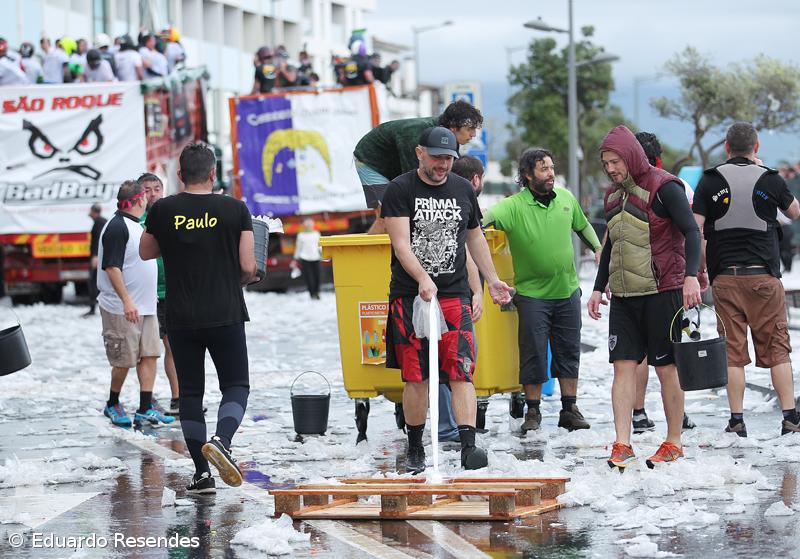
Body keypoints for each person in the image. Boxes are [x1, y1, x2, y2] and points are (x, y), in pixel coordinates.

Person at [381, 127, 514, 473]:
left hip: (454, 295)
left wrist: (492, 280)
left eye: (448, 159)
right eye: (437, 157)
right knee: (415, 376)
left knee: (462, 371)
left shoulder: (462, 190)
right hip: (410, 297)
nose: (443, 165)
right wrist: (423, 278)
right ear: (419, 153)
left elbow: (474, 238)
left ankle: (469, 446)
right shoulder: (400, 189)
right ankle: (414, 447)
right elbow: (400, 245)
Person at [140, 143, 257, 493]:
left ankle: (202, 474)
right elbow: (249, 266)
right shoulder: (235, 209)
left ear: (179, 175)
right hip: (224, 311)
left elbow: (146, 251)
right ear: (212, 173)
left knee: (190, 393)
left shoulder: (163, 210)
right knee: (235, 384)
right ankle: (222, 439)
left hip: (181, 315)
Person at [588, 125, 702, 469]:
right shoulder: (612, 195)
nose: (610, 168)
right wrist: (597, 286)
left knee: (666, 367)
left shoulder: (665, 187)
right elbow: (612, 246)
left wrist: (692, 277)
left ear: (631, 156)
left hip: (663, 291)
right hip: (623, 296)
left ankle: (674, 440)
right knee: (622, 367)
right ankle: (622, 443)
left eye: (615, 161)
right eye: (606, 163)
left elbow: (692, 233)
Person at [693, 122, 800, 437]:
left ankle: (737, 420)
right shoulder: (769, 178)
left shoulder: (710, 181)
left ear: (726, 147)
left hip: (725, 279)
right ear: (757, 148)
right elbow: (794, 212)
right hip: (764, 278)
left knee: (733, 353)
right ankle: (790, 417)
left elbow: (696, 227)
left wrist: (700, 269)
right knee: (778, 348)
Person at [484, 148, 600, 433]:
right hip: (533, 295)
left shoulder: (566, 198)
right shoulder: (513, 206)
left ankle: (569, 408)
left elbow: (583, 226)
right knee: (534, 353)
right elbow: (481, 219)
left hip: (567, 291)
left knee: (569, 351)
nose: (550, 173)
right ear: (527, 175)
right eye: (543, 169)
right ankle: (533, 411)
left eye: (551, 167)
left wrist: (598, 249)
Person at [630, 131, 696, 435]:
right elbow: (694, 232)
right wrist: (697, 273)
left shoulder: (623, 188)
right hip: (669, 278)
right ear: (658, 158)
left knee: (639, 353)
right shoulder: (676, 186)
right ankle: (677, 417)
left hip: (632, 281)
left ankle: (639, 412)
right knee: (670, 354)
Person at [97, 181, 174, 428]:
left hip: (147, 305)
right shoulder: (117, 227)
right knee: (123, 360)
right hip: (122, 308)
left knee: (150, 355)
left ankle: (144, 408)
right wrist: (127, 300)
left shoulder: (136, 225)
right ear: (139, 200)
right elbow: (111, 267)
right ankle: (113, 402)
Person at [354, 100, 484, 233]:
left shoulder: (450, 139)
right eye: (469, 129)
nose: (473, 135)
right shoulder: (416, 134)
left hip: (393, 161)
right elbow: (412, 182)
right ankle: (367, 253)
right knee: (387, 218)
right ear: (453, 127)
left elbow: (448, 181)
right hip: (370, 160)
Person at [138, 173, 180, 415]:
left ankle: (178, 398)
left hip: (172, 291)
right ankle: (147, 397)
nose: (153, 194)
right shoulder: (138, 221)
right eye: (147, 190)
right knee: (147, 351)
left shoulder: (172, 214)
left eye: (157, 188)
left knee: (173, 346)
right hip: (147, 295)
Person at [84, 203, 107, 317]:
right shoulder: (102, 221)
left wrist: (95, 256)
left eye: (91, 212)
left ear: (94, 212)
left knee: (93, 282)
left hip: (98, 257)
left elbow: (98, 240)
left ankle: (93, 307)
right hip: (100, 256)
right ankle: (94, 307)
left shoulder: (99, 222)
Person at [292, 217, 322, 299]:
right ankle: (312, 294)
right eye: (306, 222)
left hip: (316, 257)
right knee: (309, 277)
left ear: (313, 223)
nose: (308, 224)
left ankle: (317, 292)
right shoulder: (301, 235)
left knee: (317, 276)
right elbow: (298, 248)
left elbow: (319, 246)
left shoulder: (317, 233)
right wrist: (295, 259)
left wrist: (323, 254)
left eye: (310, 222)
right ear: (303, 224)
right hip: (305, 258)